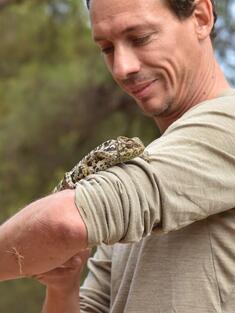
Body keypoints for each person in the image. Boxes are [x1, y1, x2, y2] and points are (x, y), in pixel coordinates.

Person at [0, 0, 235, 312]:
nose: (122, 68)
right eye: (107, 48)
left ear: (201, 18)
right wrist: (62, 287)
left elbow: (64, 222)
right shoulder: (148, 177)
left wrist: (66, 221)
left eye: (140, 38)